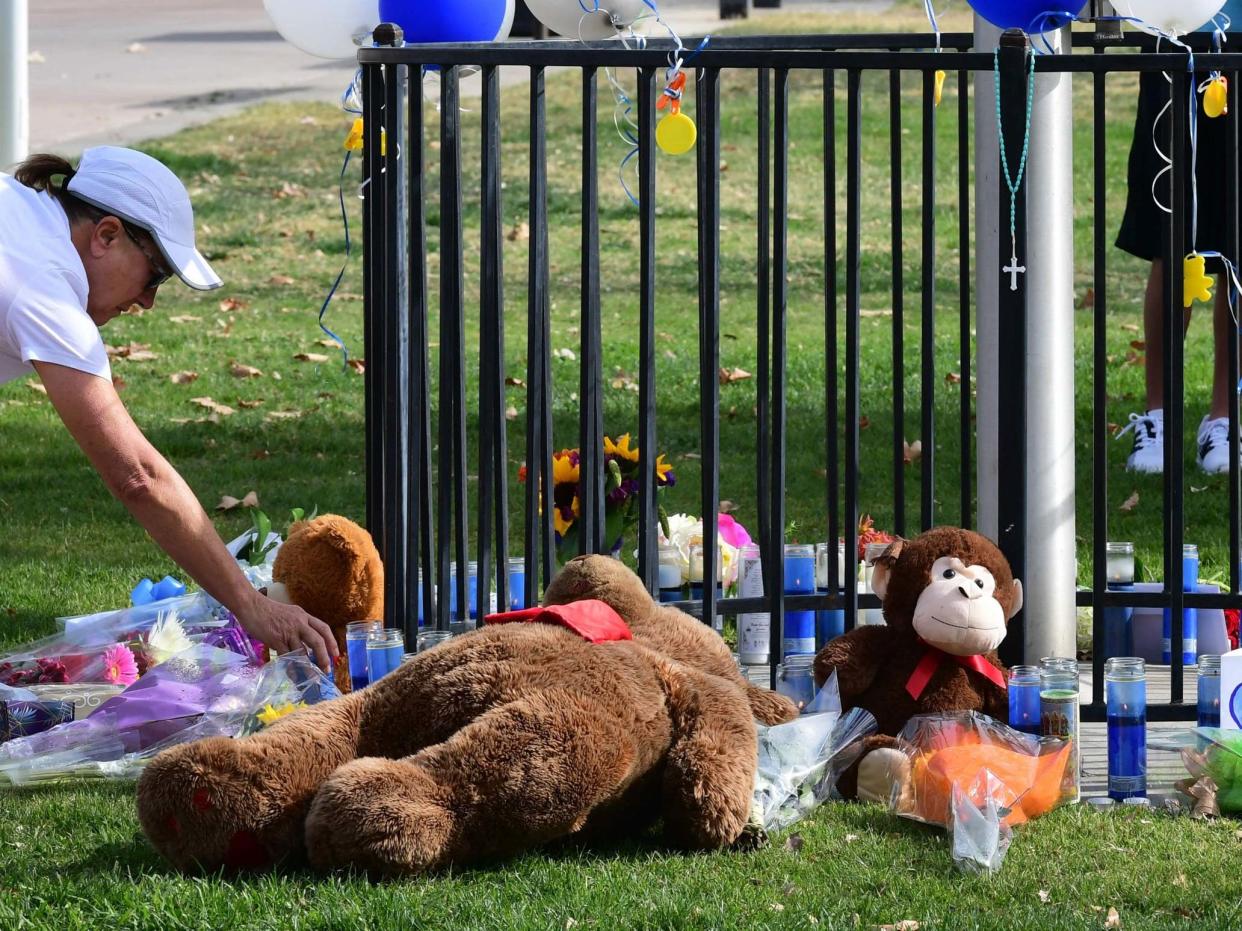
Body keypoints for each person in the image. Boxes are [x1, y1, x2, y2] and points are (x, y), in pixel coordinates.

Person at [0, 146, 338, 670]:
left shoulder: (22, 217)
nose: (148, 301)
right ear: (106, 235)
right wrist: (251, 607)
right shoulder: (44, 287)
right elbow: (138, 476)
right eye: (155, 274)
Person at [1117, 3, 1242, 475]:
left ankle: (1223, 420)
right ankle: (1158, 417)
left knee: (1236, 254)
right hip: (1174, 31)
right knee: (1169, 243)